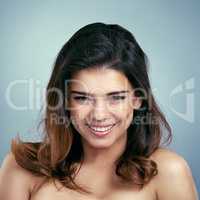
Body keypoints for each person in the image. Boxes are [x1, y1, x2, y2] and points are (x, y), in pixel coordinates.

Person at [0, 22, 198, 200]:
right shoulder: (21, 168)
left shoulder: (168, 172)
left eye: (116, 97)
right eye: (82, 97)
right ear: (65, 100)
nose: (99, 115)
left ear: (138, 99)